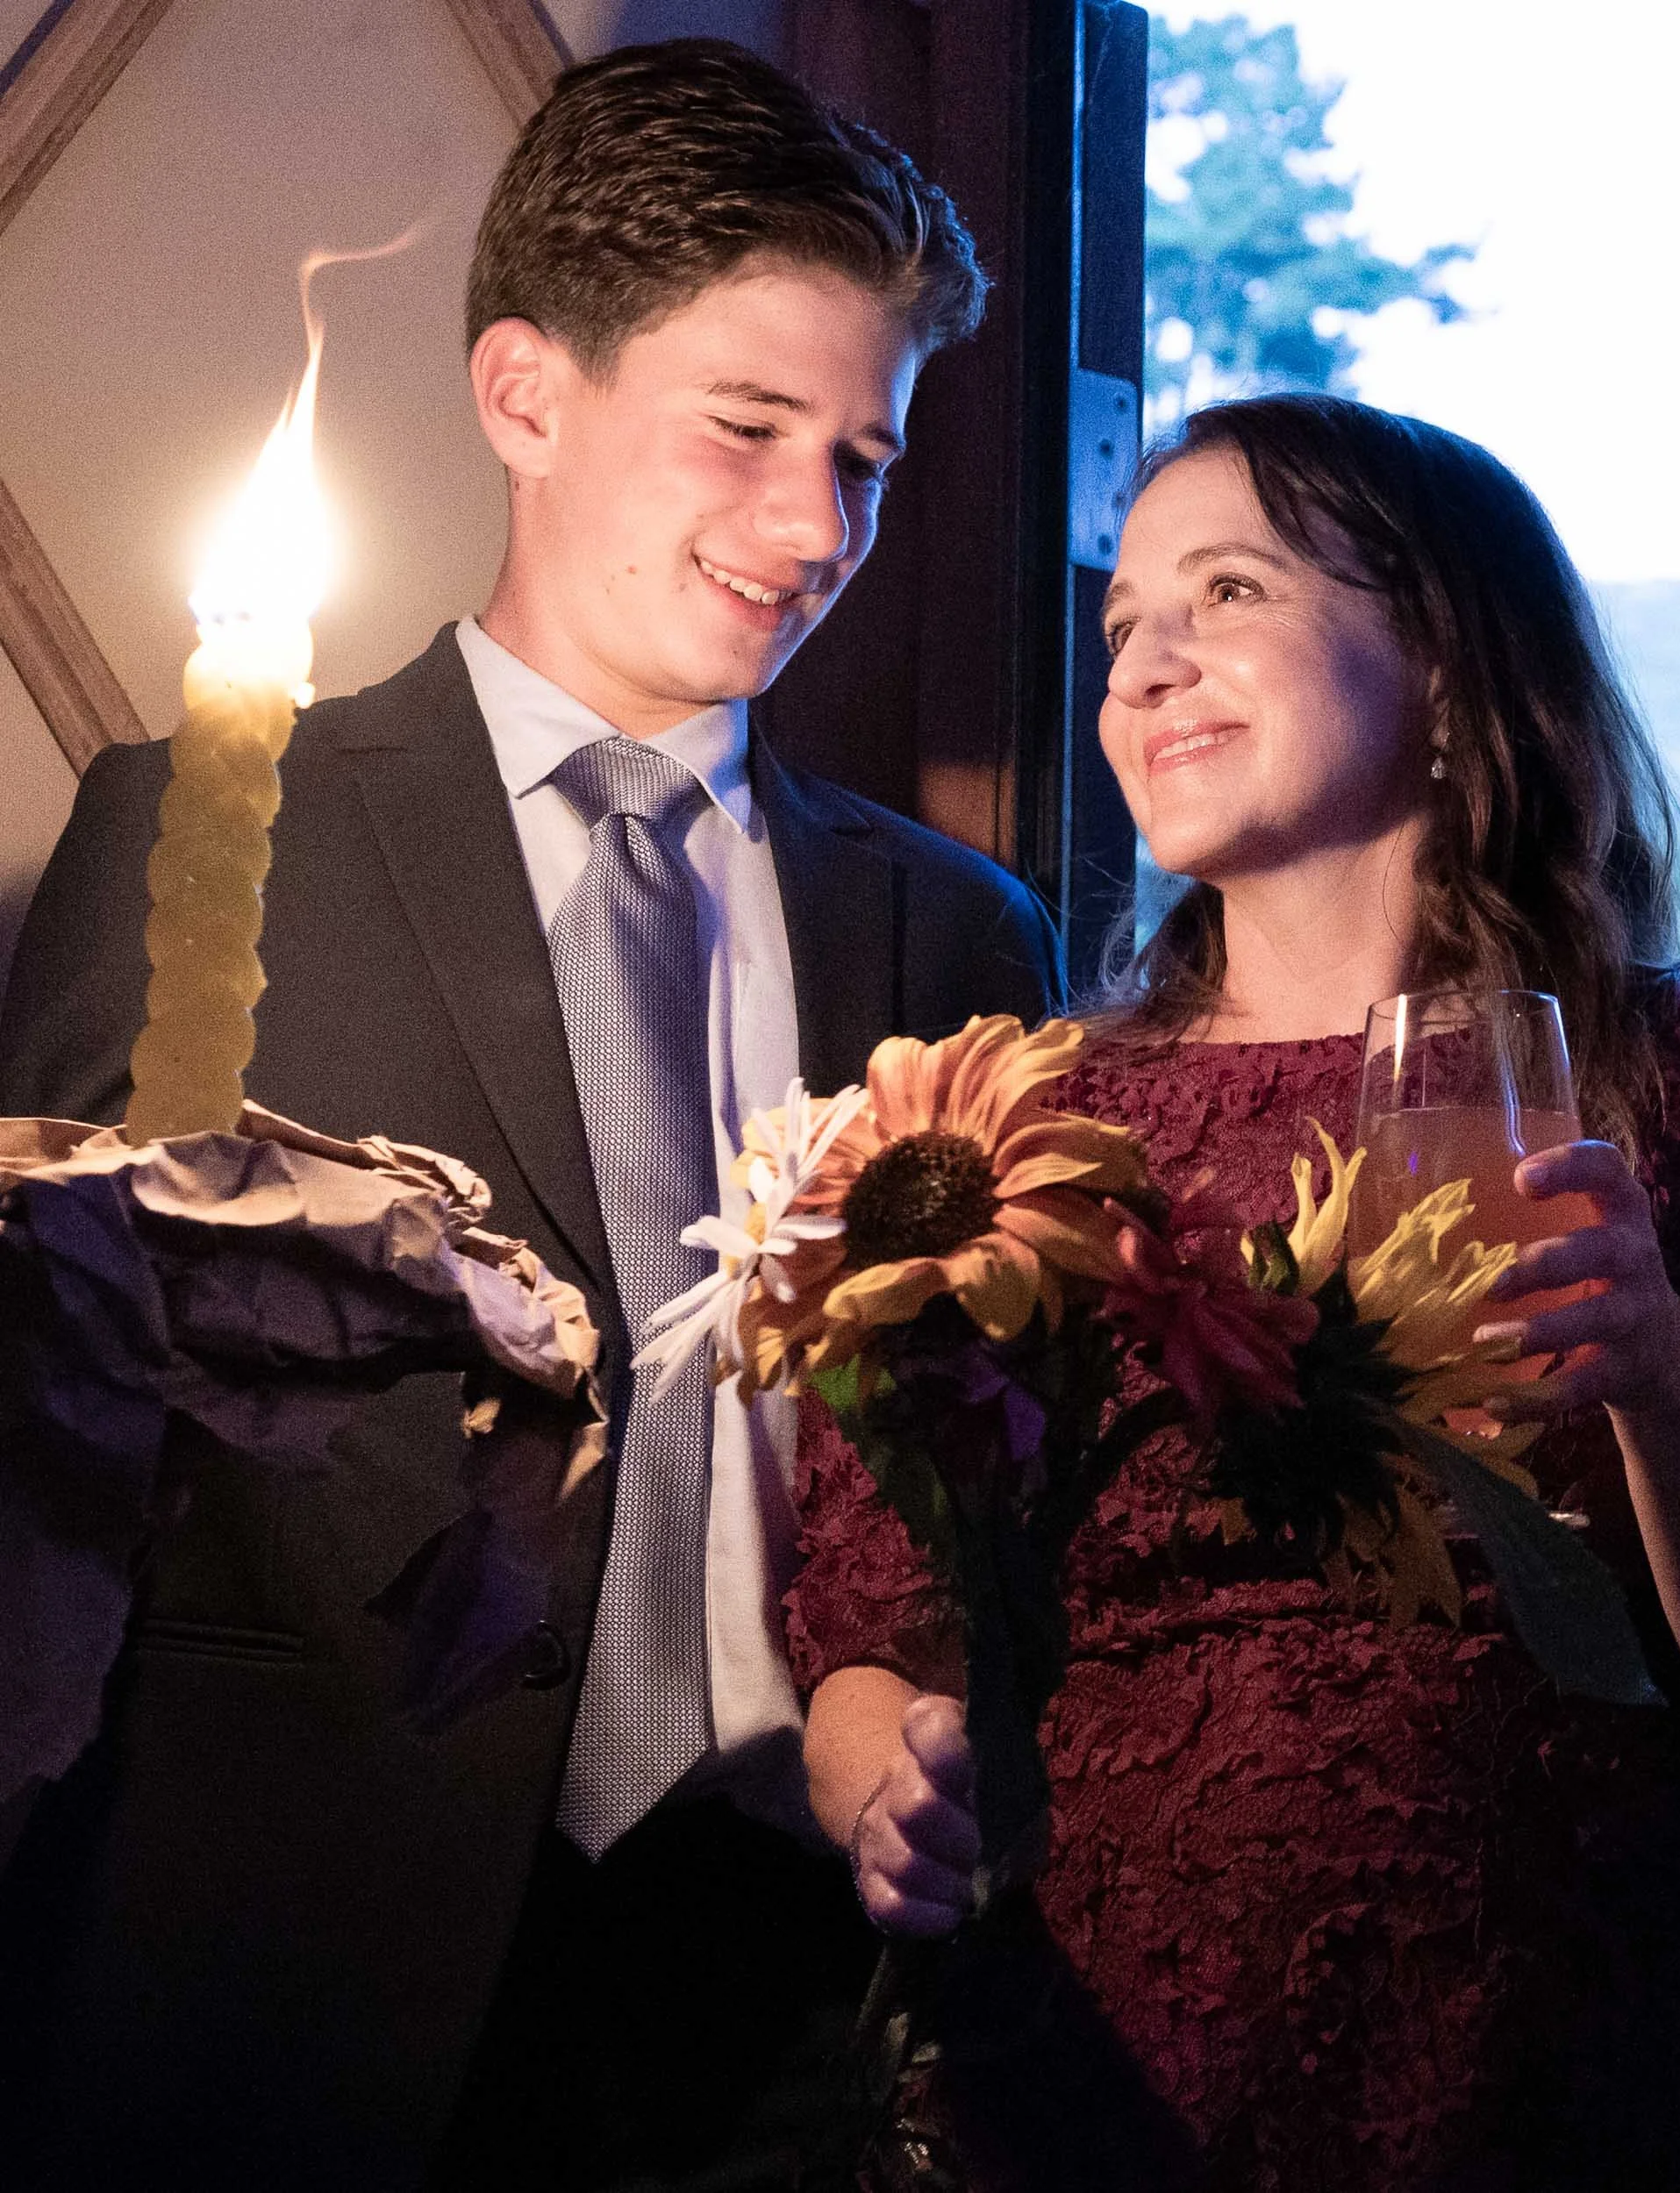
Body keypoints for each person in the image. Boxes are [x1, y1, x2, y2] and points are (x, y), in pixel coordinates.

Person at [0, 39, 1062, 2193]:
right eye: (747, 430)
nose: (816, 528)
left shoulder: (956, 927)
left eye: (863, 457)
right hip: (302, 1966)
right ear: (523, 392)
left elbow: (997, 1462)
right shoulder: (201, 830)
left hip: (796, 1987)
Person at [791, 393, 1680, 2190]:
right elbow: (872, 1622)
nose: (1145, 666)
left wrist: (1655, 1366)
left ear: (1453, 674)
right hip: (1093, 2091)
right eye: (1121, 623)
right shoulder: (1015, 1129)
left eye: (1224, 592)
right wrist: (887, 1783)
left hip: (1583, 2084)